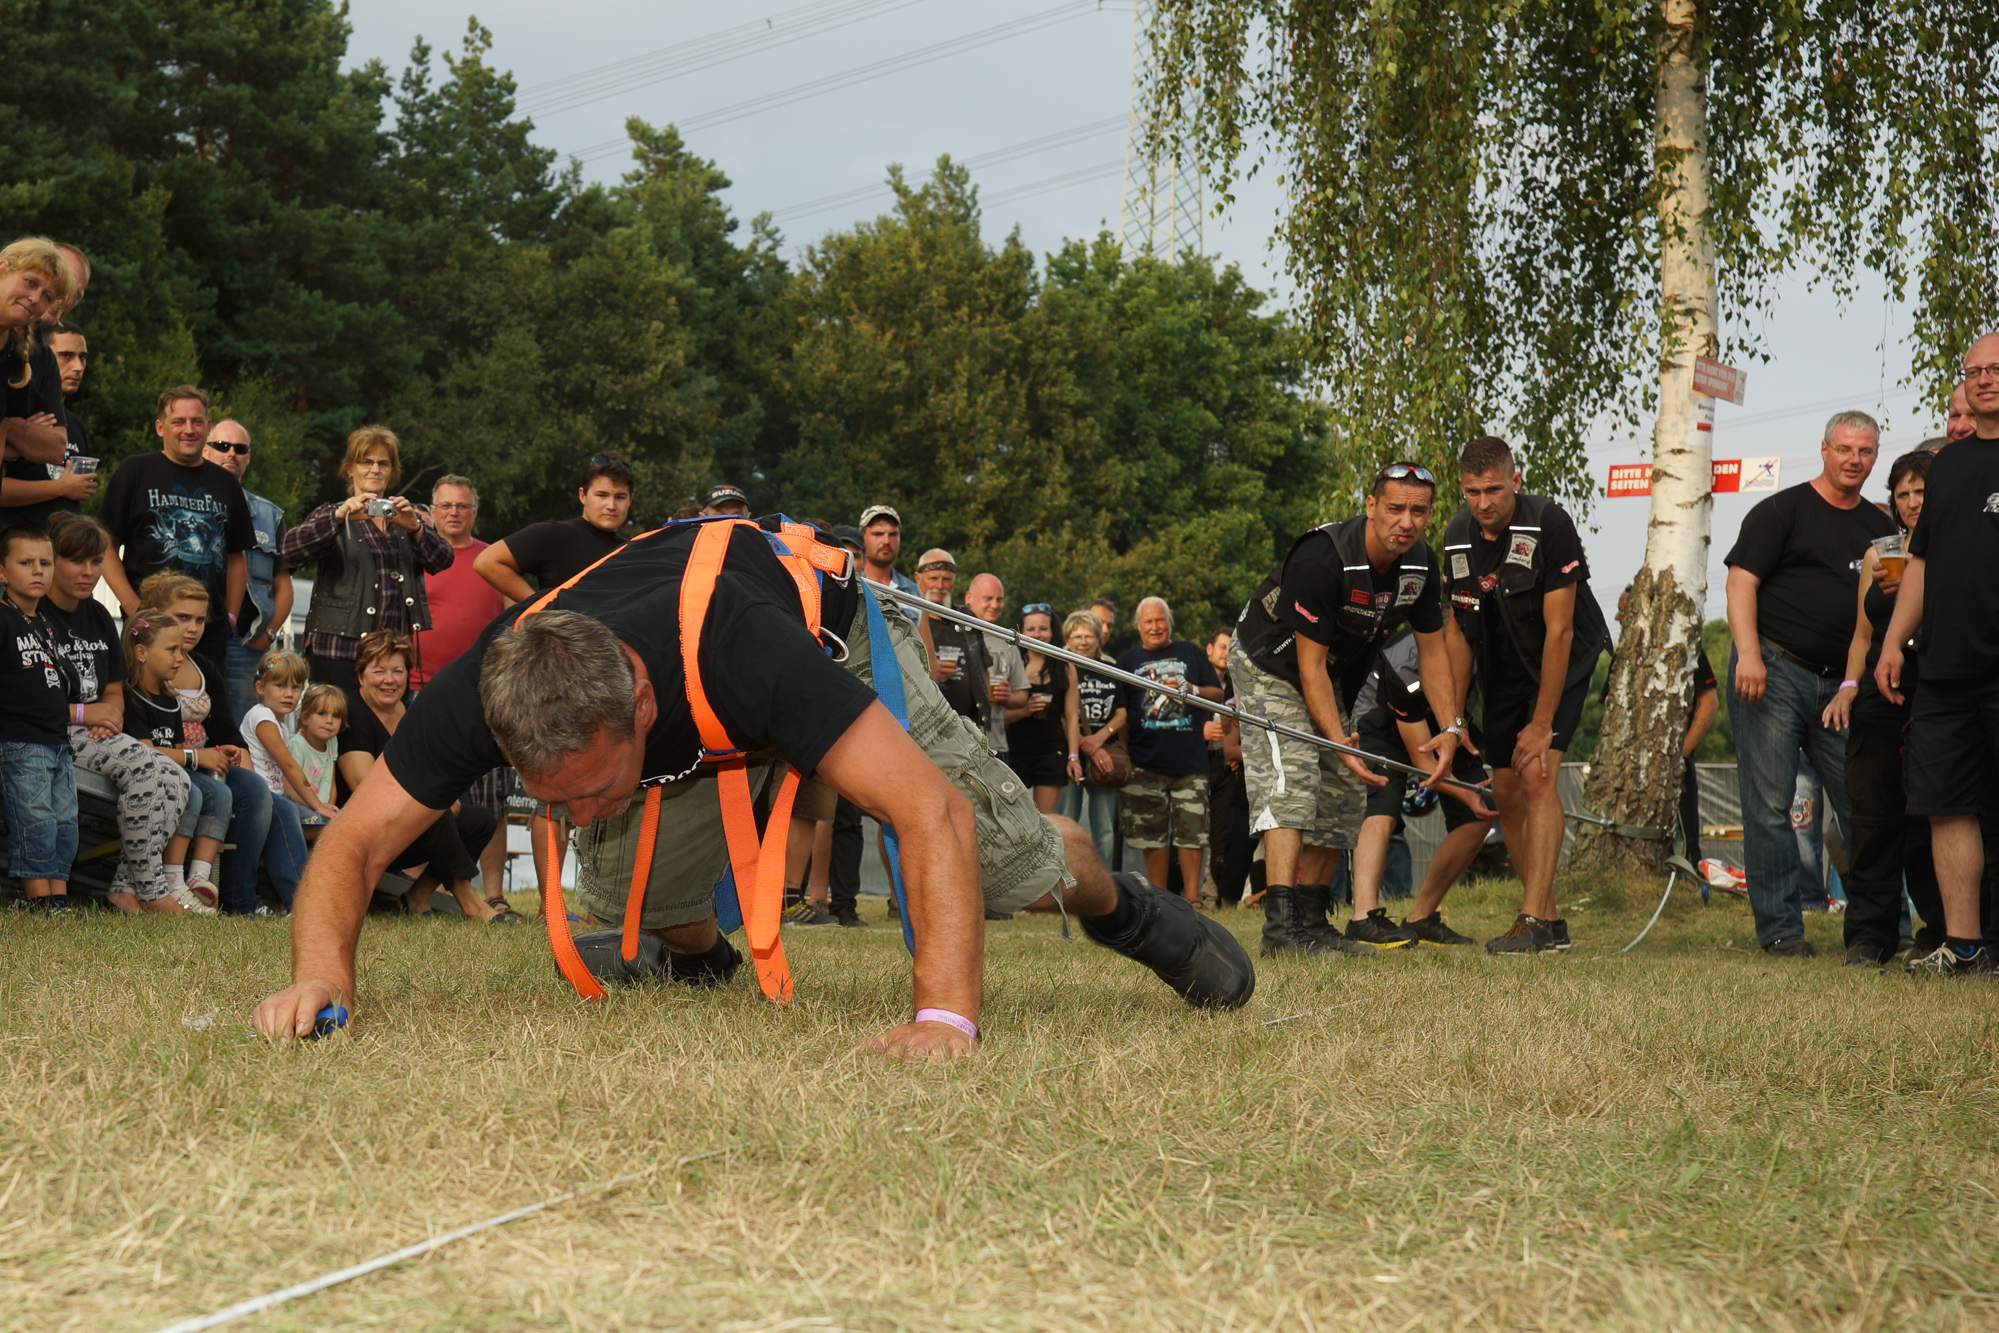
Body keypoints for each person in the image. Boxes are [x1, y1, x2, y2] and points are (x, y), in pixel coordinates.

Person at [252, 517, 1257, 1054]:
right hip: (692, 699)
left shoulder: (742, 654)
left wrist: (945, 1020)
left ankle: (1118, 904)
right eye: (553, 801)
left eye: (592, 789)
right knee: (618, 889)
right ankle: (703, 961)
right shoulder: (491, 684)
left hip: (827, 642)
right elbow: (354, 843)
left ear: (642, 705)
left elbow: (928, 813)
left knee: (1001, 870)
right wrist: (320, 976)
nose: (575, 815)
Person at [1234, 463, 1467, 955]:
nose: (1406, 522)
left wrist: (1450, 726)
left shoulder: (1421, 565)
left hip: (1329, 672)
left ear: (1430, 515)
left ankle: (1313, 921)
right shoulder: (1324, 558)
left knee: (1344, 786)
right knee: (1294, 776)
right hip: (1268, 662)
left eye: (1419, 511)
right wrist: (1338, 740)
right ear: (1371, 507)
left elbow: (1433, 652)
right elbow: (1308, 666)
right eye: (1395, 508)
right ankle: (1281, 930)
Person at [1724, 411, 1894, 956]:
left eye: (1865, 451)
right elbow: (1740, 583)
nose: (1854, 460)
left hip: (1844, 685)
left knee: (1864, 804)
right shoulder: (1782, 510)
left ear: (1875, 456)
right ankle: (1781, 930)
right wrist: (1749, 655)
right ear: (1824, 450)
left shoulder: (1881, 527)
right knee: (1771, 808)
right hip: (1774, 670)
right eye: (1844, 449)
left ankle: (1881, 930)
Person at [1444, 439, 1611, 953]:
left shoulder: (1549, 525)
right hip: (1502, 667)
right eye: (1472, 492)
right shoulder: (1455, 536)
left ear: (1515, 481)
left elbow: (1560, 631)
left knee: (1537, 774)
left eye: (1494, 490)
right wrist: (1455, 717)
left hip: (1563, 659)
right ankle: (1552, 921)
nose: (1484, 502)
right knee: (1506, 787)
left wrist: (1542, 723)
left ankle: (1533, 919)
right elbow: (1457, 632)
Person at [1876, 334, 1999, 973]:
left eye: (1995, 369)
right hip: (1946, 672)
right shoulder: (1946, 467)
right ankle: (1964, 946)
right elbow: (1919, 564)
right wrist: (1893, 643)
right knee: (1946, 805)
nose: (1984, 380)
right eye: (1974, 371)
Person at [476, 456, 636, 906]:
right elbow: (488, 562)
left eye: (620, 497)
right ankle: (551, 906)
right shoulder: (555, 535)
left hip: (607, 683)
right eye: (601, 494)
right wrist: (543, 605)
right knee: (552, 793)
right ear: (582, 495)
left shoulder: (631, 550)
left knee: (606, 793)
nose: (611, 504)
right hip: (551, 679)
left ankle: (600, 904)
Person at [41, 512, 195, 914]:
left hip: (99, 731)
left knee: (177, 777)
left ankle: (125, 890)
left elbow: (114, 688)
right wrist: (87, 715)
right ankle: (152, 890)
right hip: (52, 730)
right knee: (144, 768)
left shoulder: (96, 615)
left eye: (96, 562)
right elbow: (27, 698)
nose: (88, 572)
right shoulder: (34, 614)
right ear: (51, 559)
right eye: (76, 561)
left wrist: (109, 714)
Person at [137, 573, 299, 916]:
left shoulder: (204, 668)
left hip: (209, 761)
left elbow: (226, 731)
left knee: (266, 798)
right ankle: (209, 889)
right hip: (174, 762)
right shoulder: (146, 665)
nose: (192, 628)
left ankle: (262, 901)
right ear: (157, 615)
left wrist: (241, 764)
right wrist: (203, 757)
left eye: (199, 620)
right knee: (226, 793)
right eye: (182, 617)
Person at [335, 629, 514, 924]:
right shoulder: (352, 713)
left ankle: (417, 896)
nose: (389, 680)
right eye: (379, 671)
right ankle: (469, 901)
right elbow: (362, 787)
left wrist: (441, 797)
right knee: (430, 813)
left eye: (398, 671)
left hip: (406, 831)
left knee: (480, 821)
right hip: (367, 830)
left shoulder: (411, 711)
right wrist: (434, 801)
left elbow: (440, 765)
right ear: (361, 676)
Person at [1346, 629, 1497, 947]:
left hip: (1445, 723)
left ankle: (1421, 916)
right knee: (1383, 802)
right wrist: (1467, 794)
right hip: (1381, 719)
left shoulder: (1482, 649)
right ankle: (1363, 917)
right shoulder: (1405, 663)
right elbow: (1424, 761)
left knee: (1479, 815)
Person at [281, 424, 452, 694]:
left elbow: (443, 559)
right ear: (350, 468)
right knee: (334, 720)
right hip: (338, 652)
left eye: (383, 463)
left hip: (391, 657)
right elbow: (289, 550)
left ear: (392, 471)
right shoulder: (332, 514)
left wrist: (416, 528)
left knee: (391, 723)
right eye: (366, 462)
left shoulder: (405, 519)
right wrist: (338, 518)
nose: (375, 469)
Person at [97, 386, 254, 671]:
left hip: (207, 633)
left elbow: (236, 558)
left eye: (197, 422)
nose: (189, 430)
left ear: (208, 427)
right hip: (149, 629)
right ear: (160, 427)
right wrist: (134, 608)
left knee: (203, 700)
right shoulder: (134, 472)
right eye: (178, 421)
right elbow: (104, 546)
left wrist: (229, 618)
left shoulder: (226, 483)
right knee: (143, 698)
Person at [413, 474, 512, 902]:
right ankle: (424, 890)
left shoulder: (494, 560)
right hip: (420, 690)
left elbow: (516, 616)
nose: (454, 513)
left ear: (475, 511)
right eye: (446, 505)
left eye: (462, 505)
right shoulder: (414, 558)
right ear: (431, 511)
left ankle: (494, 895)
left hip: (482, 693)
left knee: (491, 798)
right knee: (424, 794)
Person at [1115, 597, 1223, 900]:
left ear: (1169, 622)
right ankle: (1161, 900)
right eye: (1148, 622)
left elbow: (1218, 694)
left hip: (1190, 761)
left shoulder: (1191, 652)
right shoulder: (1127, 660)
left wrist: (1192, 689)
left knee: (1192, 834)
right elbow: (1121, 713)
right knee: (1152, 837)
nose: (1155, 627)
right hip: (1144, 762)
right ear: (1138, 626)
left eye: (1160, 620)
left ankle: (1192, 900)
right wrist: (1124, 753)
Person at [119, 613, 224, 916]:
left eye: (180, 649)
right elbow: (146, 752)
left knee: (221, 794)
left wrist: (200, 757)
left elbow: (175, 753)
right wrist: (198, 756)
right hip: (141, 779)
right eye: (171, 650)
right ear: (141, 652)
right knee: (194, 792)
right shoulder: (130, 696)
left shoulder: (171, 699)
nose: (180, 658)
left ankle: (199, 877)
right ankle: (172, 879)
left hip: (172, 773)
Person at [1608, 585, 1719, 869]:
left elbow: (1709, 702)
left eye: (1623, 611)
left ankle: (1687, 879)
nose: (1617, 618)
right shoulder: (1622, 656)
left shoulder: (1683, 646)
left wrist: (1681, 753)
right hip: (1629, 770)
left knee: (1685, 847)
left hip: (1672, 767)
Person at [0, 524, 79, 911]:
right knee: (36, 822)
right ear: (2, 572)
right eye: (26, 563)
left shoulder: (45, 622)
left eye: (45, 563)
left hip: (57, 742)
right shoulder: (3, 618)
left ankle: (57, 898)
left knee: (65, 823)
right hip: (20, 741)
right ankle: (38, 900)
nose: (38, 571)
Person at [202, 419, 293, 721]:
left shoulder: (269, 515)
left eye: (240, 449)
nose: (231, 453)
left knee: (244, 731)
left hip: (244, 644)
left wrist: (267, 635)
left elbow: (284, 587)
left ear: (248, 457)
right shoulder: (184, 505)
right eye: (222, 446)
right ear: (205, 450)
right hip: (191, 636)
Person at [1, 316, 96, 528]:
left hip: (65, 544)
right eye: (66, 356)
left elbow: (77, 492)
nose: (78, 367)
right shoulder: (16, 414)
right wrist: (60, 488)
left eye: (83, 357)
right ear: (43, 357)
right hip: (16, 541)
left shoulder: (76, 425)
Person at [0, 239, 78, 491]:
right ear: (2, 270)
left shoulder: (17, 356)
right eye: (30, 282)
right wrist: (17, 443)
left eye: (47, 296)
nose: (35, 298)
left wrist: (7, 429)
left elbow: (55, 449)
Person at [1056, 609, 1122, 866]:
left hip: (1105, 754)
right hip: (1070, 753)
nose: (1083, 642)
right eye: (1077, 636)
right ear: (1067, 640)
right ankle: (1066, 876)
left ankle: (1103, 880)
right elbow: (1062, 715)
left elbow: (1122, 713)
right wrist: (1086, 744)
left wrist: (1098, 741)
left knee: (1104, 827)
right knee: (1066, 821)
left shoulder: (1112, 669)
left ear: (1099, 639)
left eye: (1089, 636)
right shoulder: (1061, 668)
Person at [1004, 604, 1083, 813]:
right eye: (1031, 629)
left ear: (1052, 631)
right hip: (1015, 749)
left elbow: (1071, 716)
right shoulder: (1011, 662)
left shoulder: (1065, 666)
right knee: (1014, 818)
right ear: (1021, 630)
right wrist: (1025, 711)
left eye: (1043, 629)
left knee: (1045, 820)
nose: (1037, 635)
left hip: (1051, 750)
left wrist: (1073, 757)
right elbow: (997, 716)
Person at [1199, 628, 1253, 909]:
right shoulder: (1196, 679)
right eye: (1222, 646)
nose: (1227, 653)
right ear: (1209, 649)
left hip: (1228, 770)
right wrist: (1201, 731)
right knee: (1196, 832)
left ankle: (1215, 897)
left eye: (1231, 647)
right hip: (1198, 762)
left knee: (1222, 837)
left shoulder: (1238, 682)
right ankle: (1198, 895)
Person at [965, 573, 1029, 765]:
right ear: (969, 598)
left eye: (999, 599)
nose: (994, 605)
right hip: (959, 746)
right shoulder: (953, 635)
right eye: (988, 598)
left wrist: (1008, 697)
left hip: (997, 748)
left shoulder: (1007, 642)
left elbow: (1022, 697)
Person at [287, 684, 344, 841]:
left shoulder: (332, 742)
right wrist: (317, 806)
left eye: (336, 716)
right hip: (299, 806)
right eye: (321, 713)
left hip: (321, 808)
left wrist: (330, 808)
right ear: (305, 718)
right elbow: (290, 789)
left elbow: (331, 782)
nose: (329, 721)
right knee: (325, 826)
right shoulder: (297, 744)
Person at [856, 504, 923, 626]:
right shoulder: (852, 585)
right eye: (878, 534)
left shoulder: (914, 592)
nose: (886, 541)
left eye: (893, 534)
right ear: (862, 538)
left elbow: (924, 639)